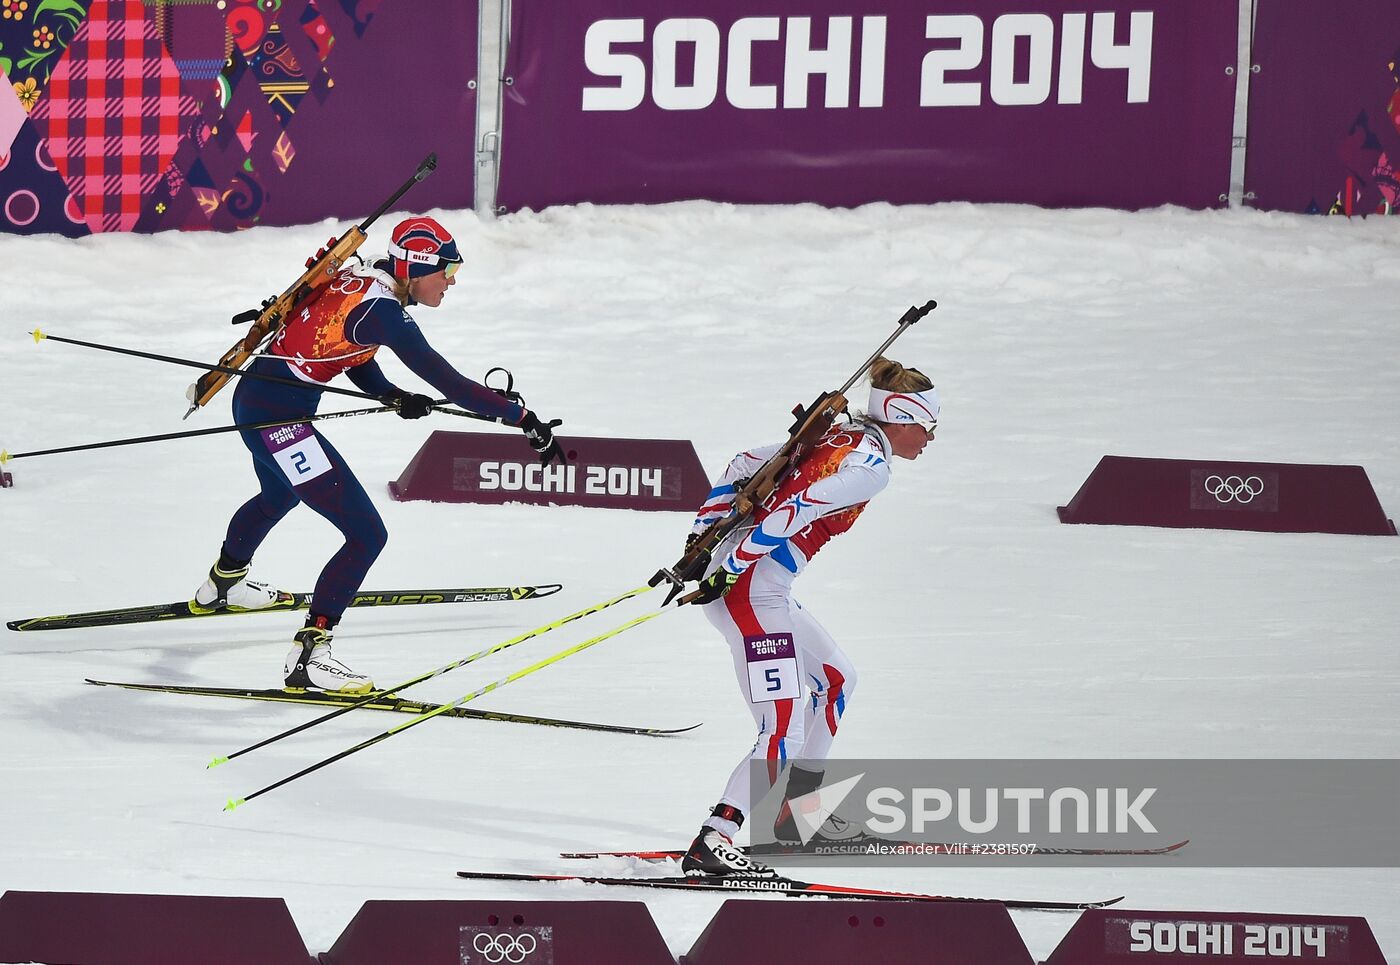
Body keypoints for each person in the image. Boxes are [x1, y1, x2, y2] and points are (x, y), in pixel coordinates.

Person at [192, 217, 565, 694]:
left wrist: (391, 394)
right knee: (366, 534)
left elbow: (351, 351)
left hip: (257, 404)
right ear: (415, 267)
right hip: (278, 422)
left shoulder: (364, 279)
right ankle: (310, 654)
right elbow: (449, 383)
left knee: (278, 497)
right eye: (446, 271)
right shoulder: (387, 313)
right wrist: (522, 417)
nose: (451, 281)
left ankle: (223, 585)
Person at [678, 358, 939, 876]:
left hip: (757, 585)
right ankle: (716, 839)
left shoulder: (837, 435)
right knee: (782, 727)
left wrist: (702, 539)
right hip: (750, 592)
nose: (930, 440)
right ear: (903, 419)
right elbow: (794, 509)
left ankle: (795, 819)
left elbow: (742, 463)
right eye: (929, 428)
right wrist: (727, 565)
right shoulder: (871, 470)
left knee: (838, 679)